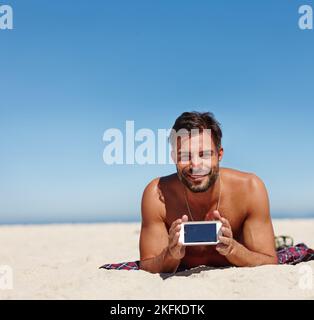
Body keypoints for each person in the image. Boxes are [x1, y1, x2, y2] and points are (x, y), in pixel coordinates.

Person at [139, 111, 278, 273]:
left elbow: (269, 261)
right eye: (184, 155)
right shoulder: (156, 194)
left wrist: (233, 249)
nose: (196, 165)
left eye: (204, 154)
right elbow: (147, 266)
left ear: (219, 155)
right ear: (174, 158)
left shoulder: (250, 189)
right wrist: (170, 254)